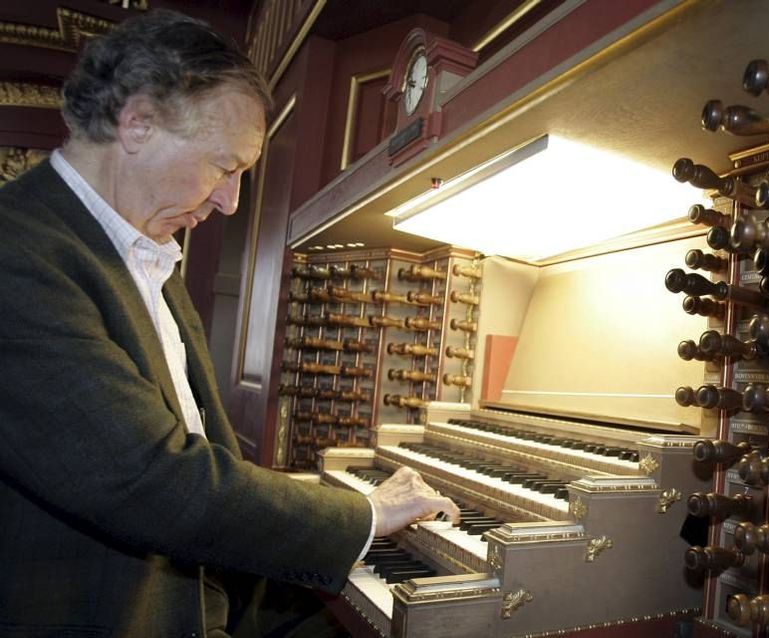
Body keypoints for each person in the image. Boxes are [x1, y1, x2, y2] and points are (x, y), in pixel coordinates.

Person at [0, 9, 458, 637]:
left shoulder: (144, 258)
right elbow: (148, 480)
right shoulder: (16, 252)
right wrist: (363, 513)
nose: (231, 200)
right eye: (225, 166)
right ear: (138, 123)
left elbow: (197, 455)